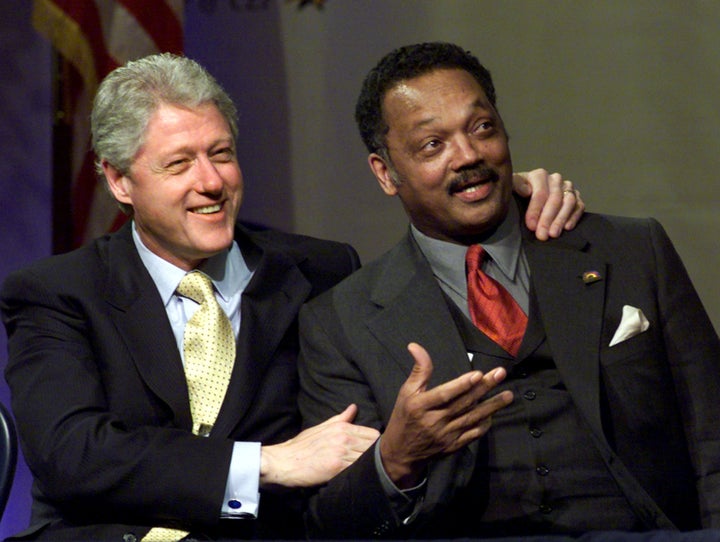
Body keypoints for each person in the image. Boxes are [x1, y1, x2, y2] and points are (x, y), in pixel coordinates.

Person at [0, 53, 581, 541]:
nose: (211, 181)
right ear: (119, 180)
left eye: (221, 154)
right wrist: (267, 464)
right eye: (179, 164)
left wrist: (504, 195)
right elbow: (72, 454)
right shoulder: (58, 293)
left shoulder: (318, 271)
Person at [297, 42, 720, 539]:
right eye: (433, 145)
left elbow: (711, 430)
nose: (469, 156)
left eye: (481, 128)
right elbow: (330, 523)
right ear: (386, 173)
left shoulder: (629, 249)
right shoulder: (340, 321)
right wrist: (395, 460)